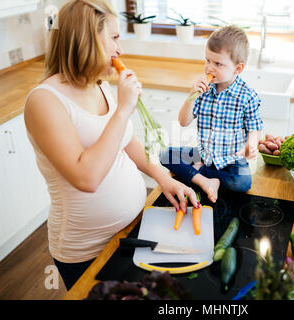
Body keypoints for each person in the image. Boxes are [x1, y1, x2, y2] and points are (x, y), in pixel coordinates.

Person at [23, 0, 198, 291]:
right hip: (86, 252)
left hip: (130, 232)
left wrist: (163, 178)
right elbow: (86, 178)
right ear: (87, 39)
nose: (120, 49)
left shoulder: (99, 84)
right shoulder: (44, 101)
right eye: (115, 38)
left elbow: (128, 142)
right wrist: (122, 110)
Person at [160, 25, 264, 203]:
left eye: (218, 64)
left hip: (231, 159)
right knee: (165, 155)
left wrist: (251, 145)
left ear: (238, 68)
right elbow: (183, 122)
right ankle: (204, 180)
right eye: (207, 60)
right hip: (204, 153)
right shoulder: (203, 91)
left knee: (243, 183)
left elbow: (255, 127)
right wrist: (191, 96)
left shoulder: (247, 96)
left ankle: (199, 175)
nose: (209, 68)